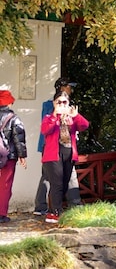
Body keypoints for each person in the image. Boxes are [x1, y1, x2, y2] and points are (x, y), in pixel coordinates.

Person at [41, 91, 89, 223]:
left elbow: (85, 125)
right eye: (59, 102)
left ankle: (54, 211)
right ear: (54, 103)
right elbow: (45, 130)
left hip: (68, 153)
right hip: (53, 155)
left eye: (64, 102)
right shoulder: (48, 117)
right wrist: (55, 115)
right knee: (56, 184)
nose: (62, 105)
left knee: (65, 182)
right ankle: (56, 211)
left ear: (68, 104)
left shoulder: (71, 118)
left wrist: (76, 115)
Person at [35, 77, 80, 215]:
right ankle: (74, 205)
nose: (70, 89)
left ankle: (41, 206)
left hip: (62, 147)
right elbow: (47, 124)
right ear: (61, 88)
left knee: (47, 176)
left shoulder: (68, 106)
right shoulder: (49, 105)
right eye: (68, 86)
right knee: (55, 176)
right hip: (51, 147)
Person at [0, 90, 28, 224]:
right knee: (5, 185)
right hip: (8, 156)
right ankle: (1, 214)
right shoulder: (13, 118)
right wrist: (22, 156)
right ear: (9, 102)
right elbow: (19, 139)